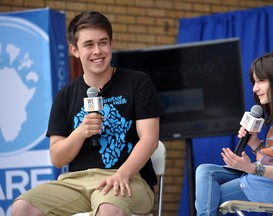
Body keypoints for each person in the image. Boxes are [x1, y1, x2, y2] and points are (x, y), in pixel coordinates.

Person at [11, 10, 164, 216]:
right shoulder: (65, 95)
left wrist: (122, 174)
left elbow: (149, 139)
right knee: (22, 208)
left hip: (129, 178)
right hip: (76, 182)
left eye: (103, 42)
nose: (97, 51)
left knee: (108, 209)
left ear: (111, 43)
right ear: (74, 50)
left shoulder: (137, 82)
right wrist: (80, 132)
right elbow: (57, 158)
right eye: (89, 44)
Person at [195, 51, 273, 216]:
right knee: (205, 171)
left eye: (261, 81)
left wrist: (250, 167)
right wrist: (254, 143)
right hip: (263, 179)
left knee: (208, 198)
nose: (255, 88)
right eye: (254, 82)